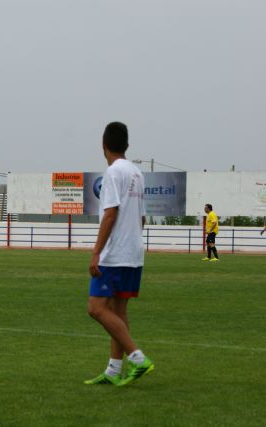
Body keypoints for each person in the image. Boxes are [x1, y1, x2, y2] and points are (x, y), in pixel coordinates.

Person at [84, 122, 154, 387]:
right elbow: (143, 217)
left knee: (95, 308)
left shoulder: (113, 173)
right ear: (126, 145)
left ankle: (138, 358)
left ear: (103, 145)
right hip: (134, 252)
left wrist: (96, 253)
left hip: (116, 254)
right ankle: (114, 371)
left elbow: (110, 214)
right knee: (118, 312)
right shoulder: (137, 173)